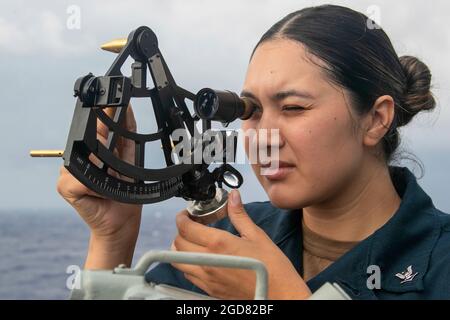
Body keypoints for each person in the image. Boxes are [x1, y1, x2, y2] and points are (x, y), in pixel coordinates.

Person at [57, 5, 450, 299]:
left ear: (376, 119)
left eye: (294, 108)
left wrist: (273, 294)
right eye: (251, 111)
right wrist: (113, 240)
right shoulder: (227, 245)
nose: (263, 137)